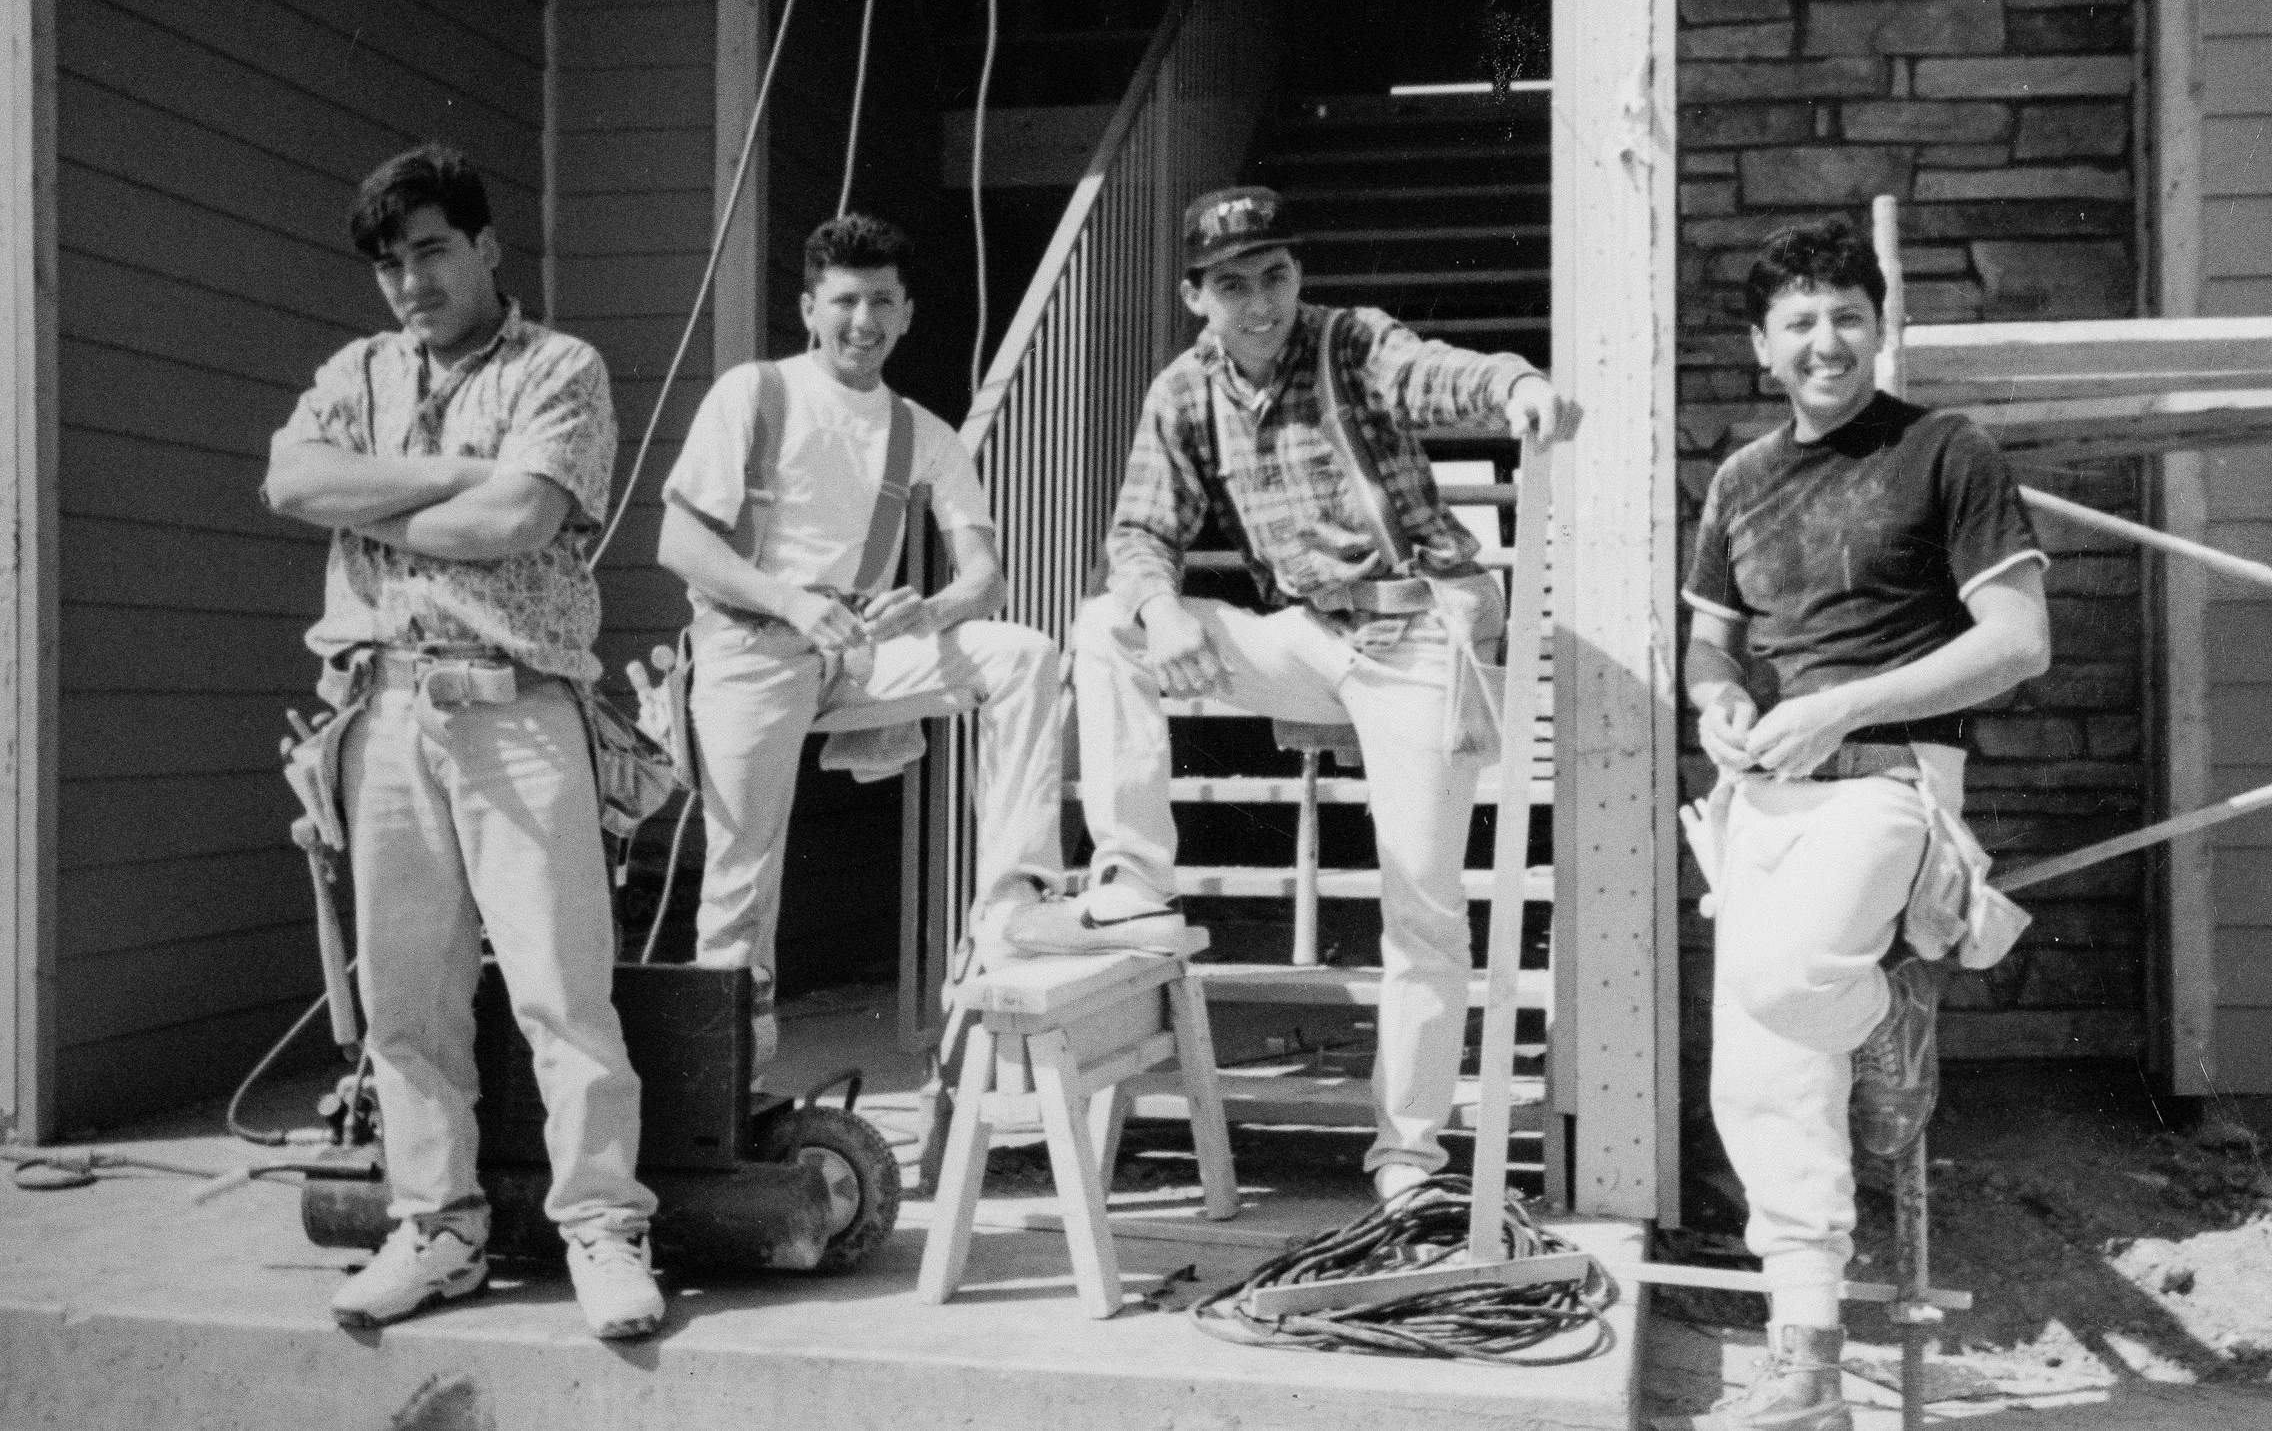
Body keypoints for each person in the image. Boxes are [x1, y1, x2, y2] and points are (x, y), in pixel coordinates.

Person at [1042, 184, 1561, 1202]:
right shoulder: (1182, 393)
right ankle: (1136, 878)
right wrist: (1164, 607)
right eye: (1233, 285)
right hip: (1311, 638)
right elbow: (1140, 533)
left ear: (1298, 276)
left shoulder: (1351, 343)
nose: (1260, 303)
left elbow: (1436, 374)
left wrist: (1515, 386)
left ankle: (1408, 1151)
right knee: (1105, 622)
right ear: (1197, 296)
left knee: (1421, 901)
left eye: (1274, 276)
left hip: (1417, 634)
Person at [262, 144, 665, 1340]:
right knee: (404, 999)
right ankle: (435, 1225)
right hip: (378, 705)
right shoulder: (357, 369)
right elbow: (289, 481)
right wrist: (447, 475)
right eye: (390, 263)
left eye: (432, 250)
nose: (410, 282)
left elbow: (520, 516)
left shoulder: (560, 367)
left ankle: (601, 1224)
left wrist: (374, 496)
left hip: (514, 704)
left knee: (558, 988)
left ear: (487, 248)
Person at [1680, 220, 2052, 1430]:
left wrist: (1837, 703)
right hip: (1766, 794)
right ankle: (1809, 1367)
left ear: (1877, 327)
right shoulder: (1739, 480)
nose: (1824, 340)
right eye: (1798, 321)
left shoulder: (1945, 452)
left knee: (1784, 987)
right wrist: (1720, 701)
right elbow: (1709, 640)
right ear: (1760, 346)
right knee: (1759, 1077)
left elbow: (2016, 644)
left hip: (1891, 785)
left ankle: (1881, 1012)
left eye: (1846, 314)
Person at [655, 213, 1061, 1063]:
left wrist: (936, 611)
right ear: (810, 307)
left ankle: (1015, 896)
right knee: (741, 870)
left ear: (908, 312)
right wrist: (792, 604)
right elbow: (680, 545)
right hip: (750, 644)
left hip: (862, 654)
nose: (863, 321)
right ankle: (729, 1076)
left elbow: (985, 576)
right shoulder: (756, 392)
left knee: (1024, 655)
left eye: (883, 301)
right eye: (844, 300)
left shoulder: (924, 431)